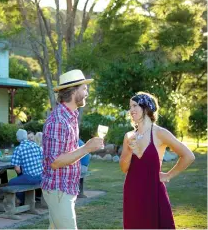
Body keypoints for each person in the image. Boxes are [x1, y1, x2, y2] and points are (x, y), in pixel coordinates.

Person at [120, 92, 195, 229]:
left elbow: (188, 156)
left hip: (153, 191)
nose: (131, 110)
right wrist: (130, 150)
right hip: (132, 191)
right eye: (130, 106)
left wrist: (168, 175)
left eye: (135, 105)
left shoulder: (160, 133)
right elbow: (124, 168)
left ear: (146, 107)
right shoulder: (129, 136)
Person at [41, 69, 104, 229]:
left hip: (65, 189)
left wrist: (86, 147)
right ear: (73, 91)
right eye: (84, 88)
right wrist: (87, 148)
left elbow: (67, 153)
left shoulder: (70, 117)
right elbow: (55, 162)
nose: (87, 92)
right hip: (58, 190)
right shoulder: (58, 120)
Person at [9, 129, 43, 205]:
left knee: (11, 182)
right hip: (41, 176)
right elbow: (41, 161)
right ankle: (28, 199)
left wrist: (21, 173)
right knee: (22, 179)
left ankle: (22, 201)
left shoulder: (18, 149)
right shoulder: (36, 145)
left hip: (30, 178)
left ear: (17, 138)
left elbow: (17, 169)